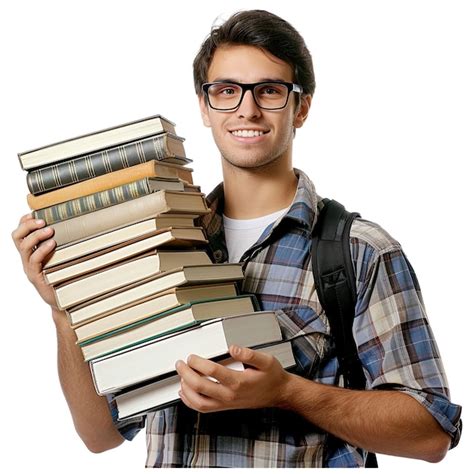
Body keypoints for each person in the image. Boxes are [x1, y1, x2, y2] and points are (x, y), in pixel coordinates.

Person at [11, 9, 461, 468]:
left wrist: (288, 392)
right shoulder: (152, 244)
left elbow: (428, 434)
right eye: (226, 91)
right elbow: (100, 434)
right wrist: (64, 312)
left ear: (300, 107)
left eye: (269, 90)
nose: (247, 110)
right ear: (205, 107)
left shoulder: (360, 251)